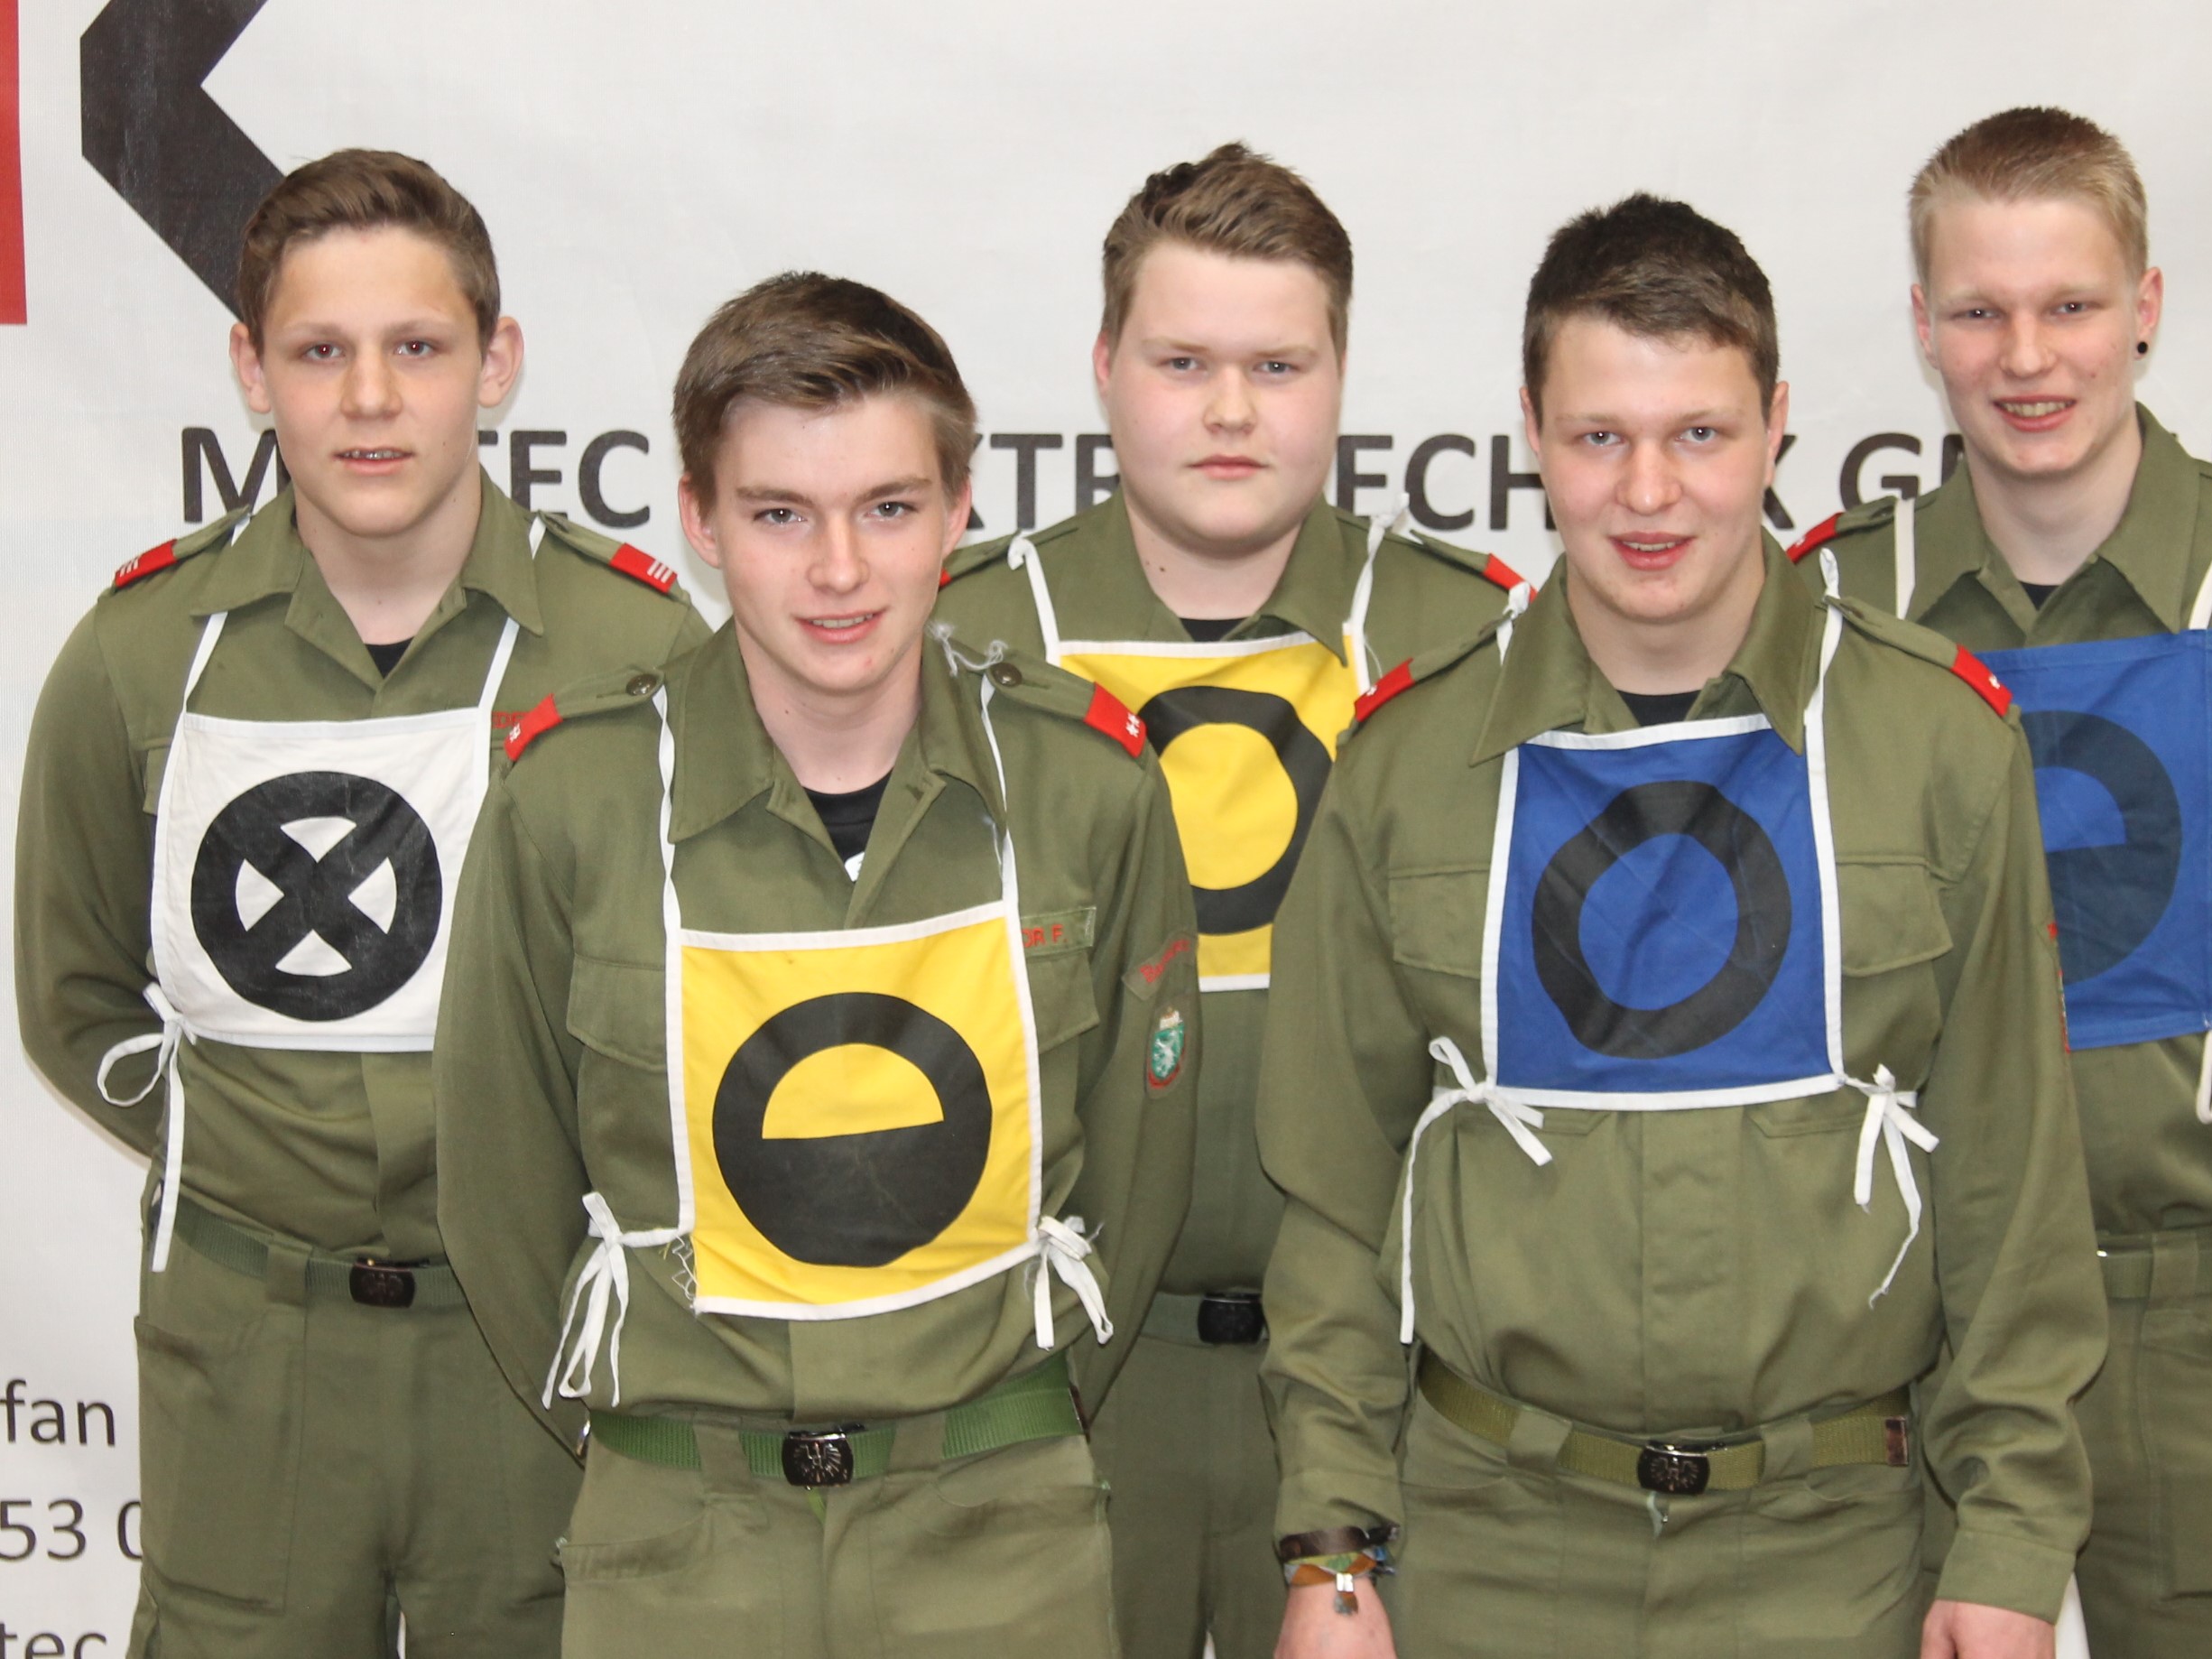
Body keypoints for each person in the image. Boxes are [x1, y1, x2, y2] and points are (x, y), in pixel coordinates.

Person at [1256, 193, 2106, 1659]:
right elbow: (1336, 1197)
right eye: (1600, 437)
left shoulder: (1939, 746)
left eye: (1699, 434)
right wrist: (1331, 1553)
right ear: (1533, 433)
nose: (1648, 492)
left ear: (1777, 427)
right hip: (1490, 1550)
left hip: (1830, 1557)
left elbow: (2012, 1195)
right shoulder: (1406, 762)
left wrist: (2015, 1548)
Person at [1794, 106, 2212, 1654]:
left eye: (2072, 304)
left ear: (2147, 305)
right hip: (1907, 1349)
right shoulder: (1828, 613)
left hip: (2209, 1341)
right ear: (1922, 326)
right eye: (1980, 311)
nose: (2028, 356)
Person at [432, 271, 1200, 1657]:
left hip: (1001, 1537)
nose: (838, 570)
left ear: (960, 510)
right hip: (679, 1544)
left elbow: (1137, 1181)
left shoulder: (1090, 788)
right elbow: (501, 1191)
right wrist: (654, 1452)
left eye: (887, 508)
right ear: (699, 519)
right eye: (780, 514)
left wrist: (1015, 1424)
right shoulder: (572, 802)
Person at [13, 149, 705, 1657]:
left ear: (496, 364)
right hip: (249, 1346)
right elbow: (70, 995)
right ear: (250, 370)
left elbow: (702, 987)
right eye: (321, 351)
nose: (371, 397)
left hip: (532, 1336)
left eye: (418, 347)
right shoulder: (139, 651)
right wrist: (253, 1141)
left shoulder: (640, 651)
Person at [935, 141, 1523, 1659]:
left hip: (1383, 1394)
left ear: (1341, 374)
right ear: (1104, 368)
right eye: (1182, 360)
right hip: (1059, 1388)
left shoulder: (1477, 644)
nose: (1231, 410)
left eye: (1277, 363)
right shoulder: (957, 643)